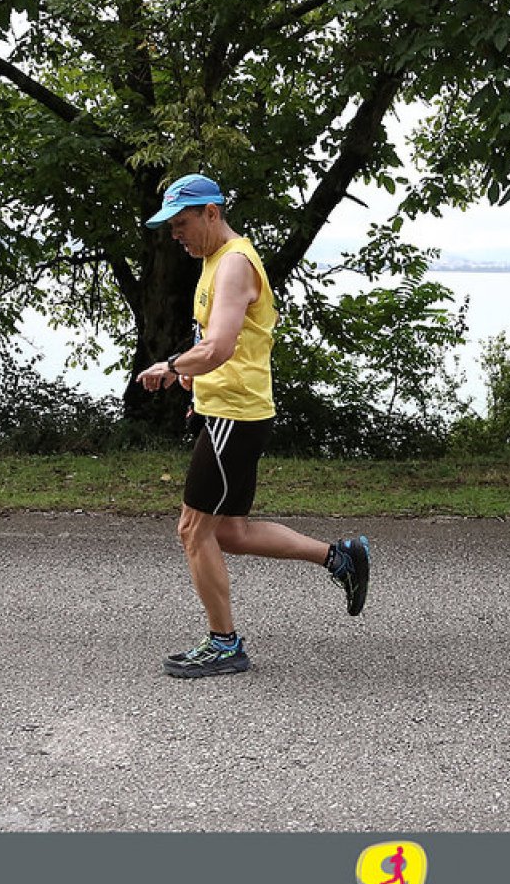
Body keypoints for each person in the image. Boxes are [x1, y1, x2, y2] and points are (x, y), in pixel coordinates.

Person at [135, 174, 371, 678]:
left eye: (182, 224)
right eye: (171, 227)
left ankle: (224, 644)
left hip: (236, 415)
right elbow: (223, 342)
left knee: (193, 529)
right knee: (231, 532)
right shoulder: (215, 260)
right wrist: (195, 383)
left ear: (212, 213)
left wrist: (171, 366)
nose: (176, 235)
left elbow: (219, 347)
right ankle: (340, 558)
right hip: (229, 411)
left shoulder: (235, 264)